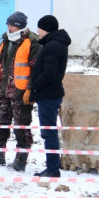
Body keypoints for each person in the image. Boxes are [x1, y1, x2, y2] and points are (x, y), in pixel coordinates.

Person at [0, 11, 40, 171]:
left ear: (20, 26)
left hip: (21, 93)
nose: (9, 27)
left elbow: (36, 70)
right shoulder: (6, 40)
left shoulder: (32, 42)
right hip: (4, 91)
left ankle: (21, 161)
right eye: (8, 24)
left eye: (12, 25)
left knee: (21, 126)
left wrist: (30, 89)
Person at [26, 14, 71, 178]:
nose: (37, 31)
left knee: (48, 132)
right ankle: (52, 166)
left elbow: (49, 73)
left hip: (48, 95)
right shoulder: (56, 44)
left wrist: (34, 87)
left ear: (46, 29)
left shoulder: (52, 46)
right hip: (50, 93)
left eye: (40, 27)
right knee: (49, 131)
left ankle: (53, 168)